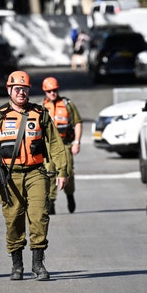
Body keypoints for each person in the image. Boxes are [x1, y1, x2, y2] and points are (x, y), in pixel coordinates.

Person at [0, 71, 68, 281]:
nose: (21, 93)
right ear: (9, 90)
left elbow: (55, 144)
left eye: (25, 89)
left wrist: (62, 171)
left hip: (36, 173)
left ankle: (38, 264)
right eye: (17, 89)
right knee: (13, 220)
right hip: (9, 177)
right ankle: (16, 264)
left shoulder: (40, 114)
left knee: (39, 217)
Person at [41, 76, 82, 214]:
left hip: (65, 144)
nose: (52, 93)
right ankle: (51, 202)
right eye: (49, 91)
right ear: (45, 92)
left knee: (67, 172)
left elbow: (77, 122)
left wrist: (76, 142)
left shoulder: (67, 104)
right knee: (49, 172)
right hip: (48, 146)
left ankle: (70, 195)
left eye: (55, 90)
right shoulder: (41, 107)